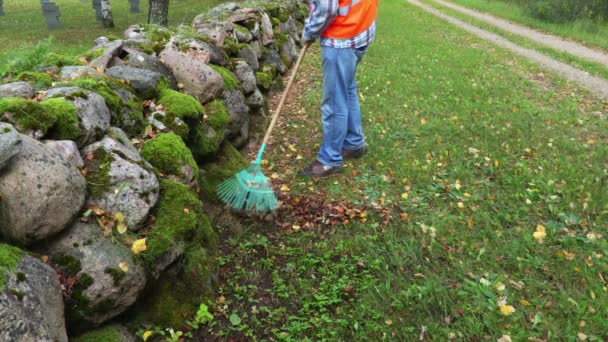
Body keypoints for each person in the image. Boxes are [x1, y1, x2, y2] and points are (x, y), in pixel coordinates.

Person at [299, 0, 378, 177]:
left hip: (342, 37)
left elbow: (327, 8)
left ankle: (329, 160)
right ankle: (354, 143)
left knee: (334, 101)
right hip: (361, 29)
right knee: (347, 88)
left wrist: (309, 32)